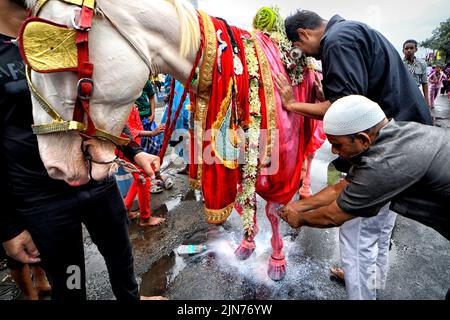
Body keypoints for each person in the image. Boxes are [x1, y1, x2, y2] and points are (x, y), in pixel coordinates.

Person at [0, 0, 161, 300]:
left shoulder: (61, 32)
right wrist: (9, 227)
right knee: (71, 281)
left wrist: (135, 150)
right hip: (42, 198)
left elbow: (93, 108)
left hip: (95, 178)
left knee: (120, 254)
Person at [275, 10, 432, 300]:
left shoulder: (336, 41)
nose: (310, 58)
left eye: (301, 51)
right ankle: (370, 280)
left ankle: (361, 292)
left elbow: (345, 106)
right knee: (381, 225)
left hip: (388, 148)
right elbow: (351, 98)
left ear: (303, 35)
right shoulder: (349, 31)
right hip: (409, 135)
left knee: (356, 234)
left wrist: (292, 105)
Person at [278, 95, 450, 299]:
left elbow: (334, 216)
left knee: (360, 248)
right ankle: (373, 284)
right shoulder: (393, 135)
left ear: (362, 139)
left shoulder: (384, 163)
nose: (333, 150)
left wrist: (300, 219)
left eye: (337, 144)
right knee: (379, 240)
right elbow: (340, 188)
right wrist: (299, 206)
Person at [123, 105, 166, 226]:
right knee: (143, 178)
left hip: (131, 146)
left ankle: (125, 209)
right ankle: (145, 218)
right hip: (129, 147)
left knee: (138, 178)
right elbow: (127, 130)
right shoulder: (122, 100)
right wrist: (151, 133)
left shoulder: (128, 98)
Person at [402, 39, 429, 106]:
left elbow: (424, 82)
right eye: (406, 48)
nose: (409, 50)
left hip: (416, 93)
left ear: (416, 49)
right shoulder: (399, 63)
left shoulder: (422, 63)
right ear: (403, 51)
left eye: (411, 48)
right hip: (402, 93)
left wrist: (426, 98)